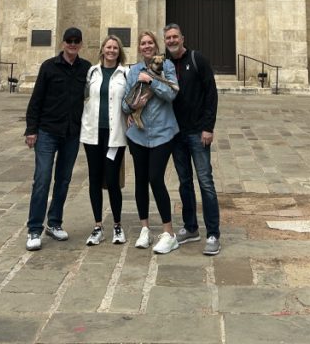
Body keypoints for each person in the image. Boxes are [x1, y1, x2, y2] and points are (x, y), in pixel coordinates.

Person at [24, 27, 90, 251]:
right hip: (47, 131)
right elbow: (36, 100)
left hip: (71, 133)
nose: (72, 44)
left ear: (81, 44)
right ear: (63, 43)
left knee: (63, 180)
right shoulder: (49, 67)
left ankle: (54, 223)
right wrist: (31, 130)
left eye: (76, 41)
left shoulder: (86, 69)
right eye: (69, 41)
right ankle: (34, 228)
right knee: (42, 179)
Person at [163, 22, 221, 255]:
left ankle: (214, 233)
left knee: (205, 182)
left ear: (182, 38)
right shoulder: (164, 64)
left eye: (175, 37)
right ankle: (190, 227)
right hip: (176, 134)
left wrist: (208, 127)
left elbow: (211, 94)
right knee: (184, 183)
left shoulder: (198, 60)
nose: (172, 41)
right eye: (168, 38)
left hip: (198, 132)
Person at [122, 30, 179, 254]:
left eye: (150, 43)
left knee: (156, 178)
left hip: (163, 132)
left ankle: (169, 233)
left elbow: (172, 93)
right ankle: (144, 229)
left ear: (156, 47)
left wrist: (151, 82)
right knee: (140, 180)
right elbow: (126, 102)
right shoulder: (133, 70)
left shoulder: (167, 67)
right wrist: (132, 106)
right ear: (139, 48)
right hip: (137, 134)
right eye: (143, 43)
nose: (146, 46)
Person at [80, 35, 129, 245]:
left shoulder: (126, 73)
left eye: (115, 48)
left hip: (115, 135)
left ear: (119, 51)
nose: (111, 51)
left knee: (111, 179)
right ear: (102, 50)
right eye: (108, 47)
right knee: (94, 178)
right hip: (92, 133)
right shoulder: (91, 72)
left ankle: (117, 225)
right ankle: (98, 225)